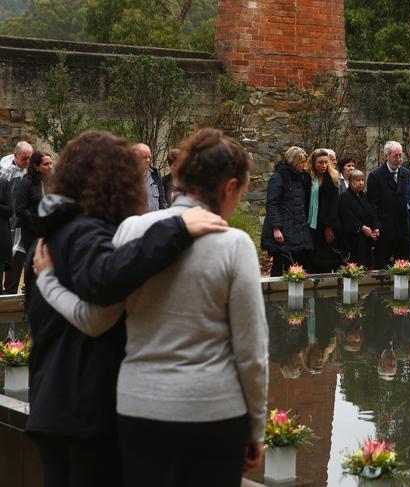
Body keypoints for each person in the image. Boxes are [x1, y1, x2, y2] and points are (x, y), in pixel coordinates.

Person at [33, 128, 268, 487]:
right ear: (228, 187)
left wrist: (46, 281)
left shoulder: (130, 229)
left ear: (179, 176)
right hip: (214, 409)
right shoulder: (234, 243)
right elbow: (251, 353)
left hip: (138, 407)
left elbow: (97, 318)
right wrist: (256, 428)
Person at [261, 146, 313, 276]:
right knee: (278, 264)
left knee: (295, 267)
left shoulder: (300, 177)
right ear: (294, 161)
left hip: (297, 228)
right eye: (301, 162)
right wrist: (276, 228)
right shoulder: (278, 178)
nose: (303, 165)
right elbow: (272, 204)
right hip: (283, 229)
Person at [367, 141, 410, 269]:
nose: (398, 159)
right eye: (395, 156)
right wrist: (376, 226)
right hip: (384, 228)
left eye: (400, 156)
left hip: (402, 227)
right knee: (381, 265)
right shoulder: (375, 175)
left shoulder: (405, 173)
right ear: (386, 156)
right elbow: (373, 204)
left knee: (403, 266)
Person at [0, 140, 31, 294]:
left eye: (29, 158)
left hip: (21, 219)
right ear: (15, 156)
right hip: (5, 218)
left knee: (18, 254)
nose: (26, 162)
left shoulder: (30, 172)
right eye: (24, 158)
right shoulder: (4, 171)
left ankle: (11, 290)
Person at [306, 148, 342, 273]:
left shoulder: (332, 179)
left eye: (326, 162)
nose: (324, 166)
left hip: (327, 225)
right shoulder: (308, 178)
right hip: (311, 224)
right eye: (320, 162)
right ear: (313, 163)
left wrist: (328, 226)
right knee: (311, 259)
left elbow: (334, 205)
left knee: (326, 260)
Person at [338, 169, 379, 268]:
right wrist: (362, 227)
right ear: (351, 182)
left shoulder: (364, 195)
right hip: (353, 238)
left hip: (367, 238)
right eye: (357, 180)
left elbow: (371, 213)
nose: (361, 183)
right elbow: (348, 217)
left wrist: (375, 228)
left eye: (362, 180)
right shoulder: (345, 196)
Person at [15, 151, 53, 256]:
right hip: (32, 232)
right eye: (46, 164)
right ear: (36, 166)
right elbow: (19, 210)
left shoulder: (53, 182)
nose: (50, 167)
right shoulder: (26, 183)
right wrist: (38, 218)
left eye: (51, 163)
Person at [134, 143, 167, 212]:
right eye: (144, 157)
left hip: (156, 221)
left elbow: (162, 202)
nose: (148, 160)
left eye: (149, 157)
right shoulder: (126, 178)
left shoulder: (155, 176)